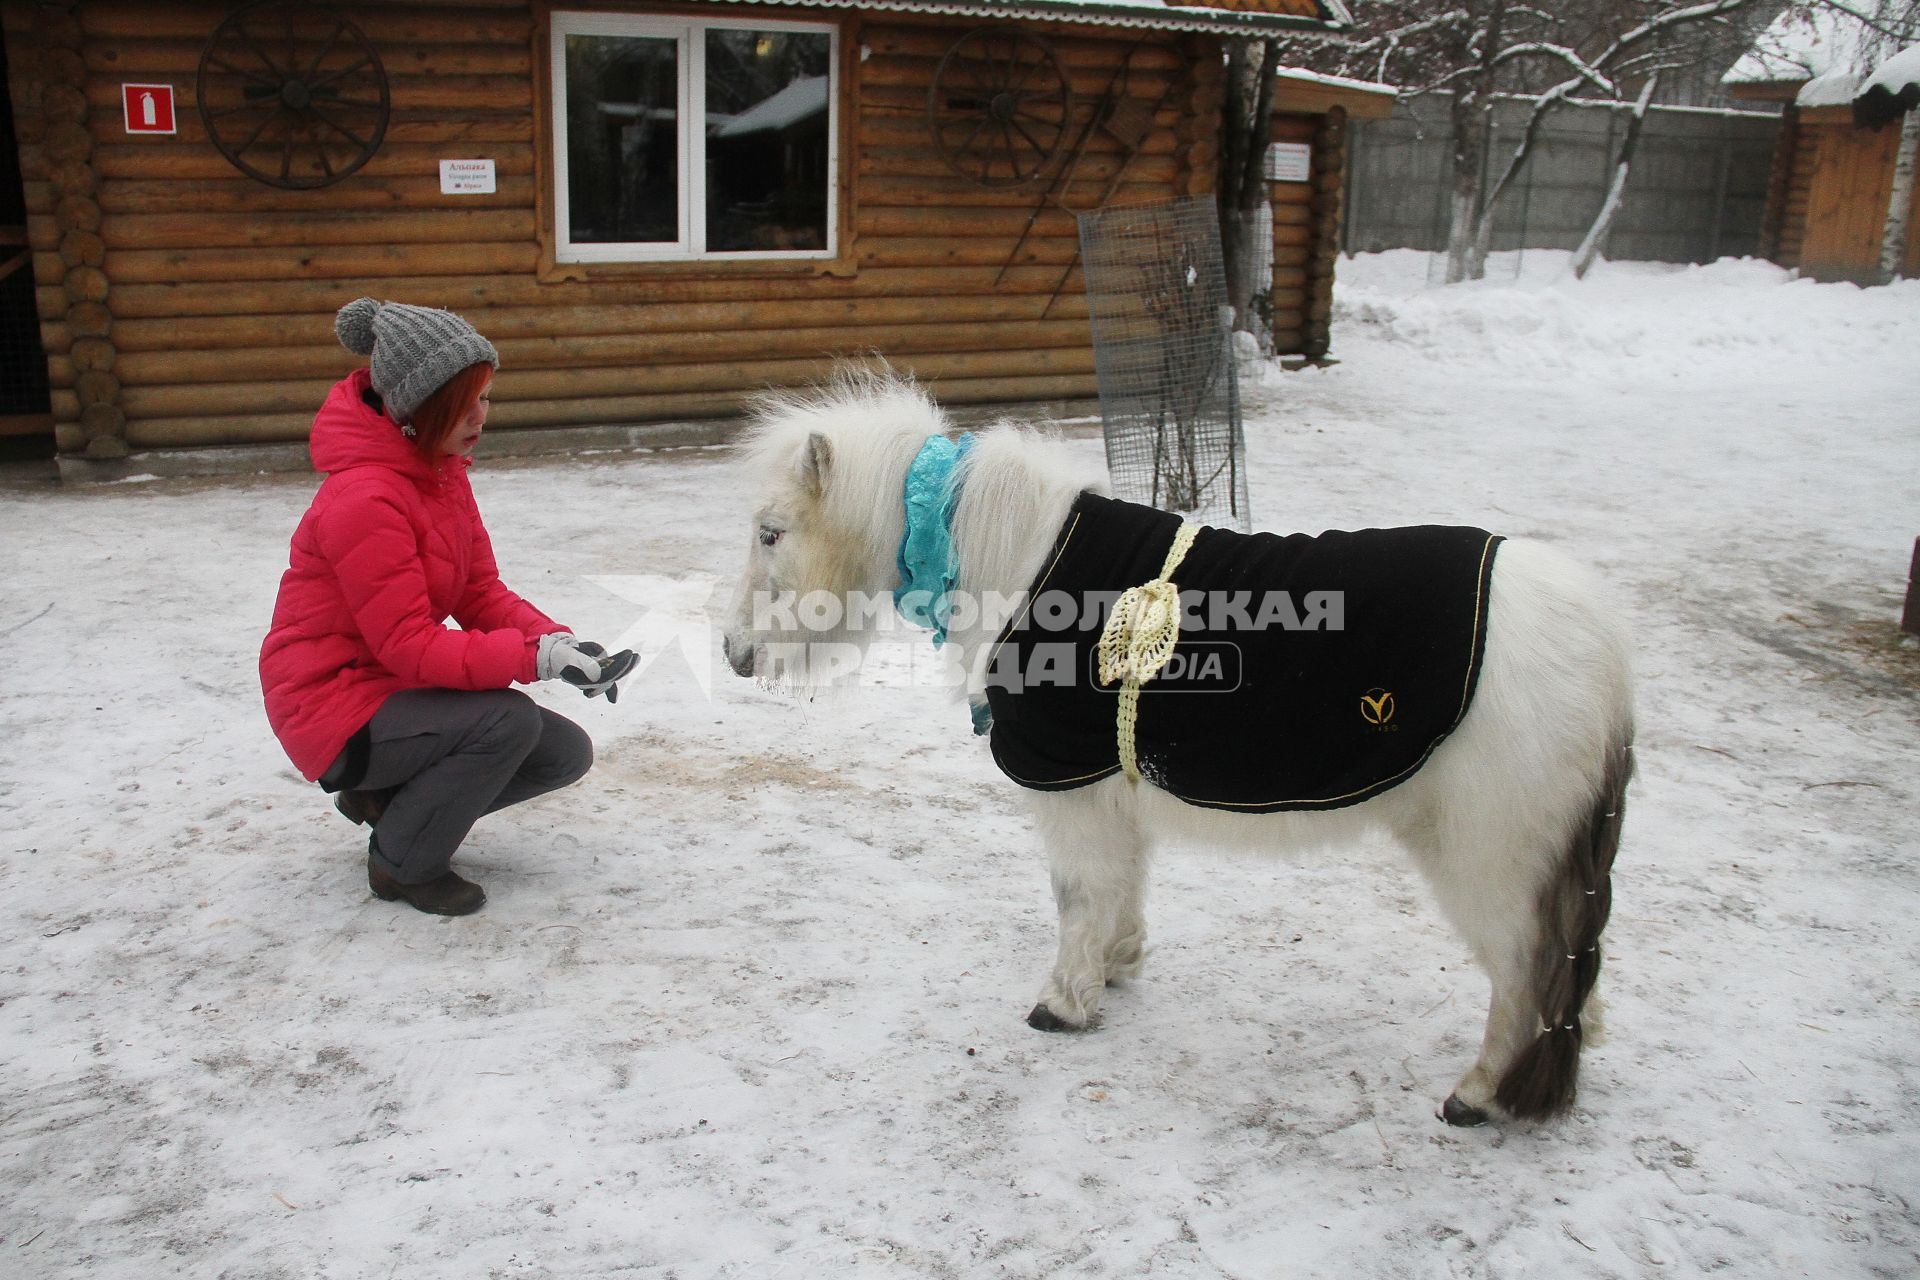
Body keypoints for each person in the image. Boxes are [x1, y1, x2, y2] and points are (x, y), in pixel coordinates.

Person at [259, 297, 635, 916]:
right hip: (330, 702)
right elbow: (407, 642)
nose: (479, 417)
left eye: (484, 397)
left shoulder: (439, 473)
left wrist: (560, 644)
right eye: (461, 404)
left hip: (389, 690)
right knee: (507, 723)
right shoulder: (366, 499)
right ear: (414, 408)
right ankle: (402, 865)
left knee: (562, 753)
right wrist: (531, 660)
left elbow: (479, 592)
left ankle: (390, 799)